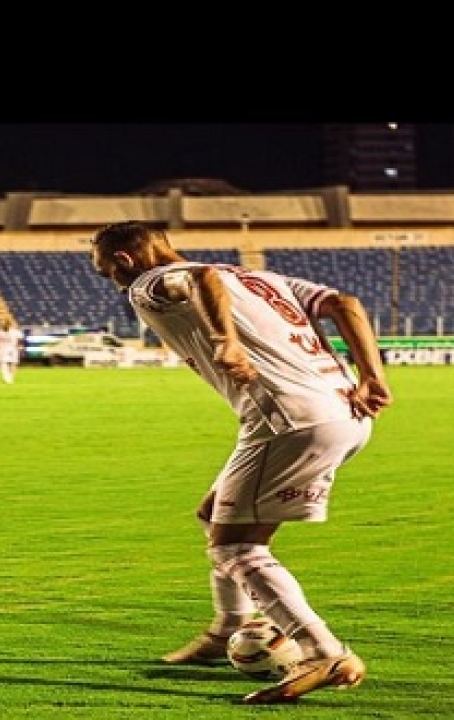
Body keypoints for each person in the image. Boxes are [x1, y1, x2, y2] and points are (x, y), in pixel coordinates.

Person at [89, 221, 392, 705]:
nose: (112, 281)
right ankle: (227, 628)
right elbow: (346, 304)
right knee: (215, 515)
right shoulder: (261, 279)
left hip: (288, 419)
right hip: (347, 413)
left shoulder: (147, 284)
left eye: (107, 273)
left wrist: (224, 338)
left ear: (124, 260)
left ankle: (324, 652)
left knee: (235, 548)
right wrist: (371, 375)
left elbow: (198, 278)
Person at [0, 319, 24, 384]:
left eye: (5, 324)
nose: (4, 325)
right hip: (2, 350)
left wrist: (20, 347)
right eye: (2, 324)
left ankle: (10, 378)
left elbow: (20, 339)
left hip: (12, 350)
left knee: (13, 364)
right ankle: (6, 378)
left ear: (9, 324)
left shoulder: (15, 332)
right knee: (3, 364)